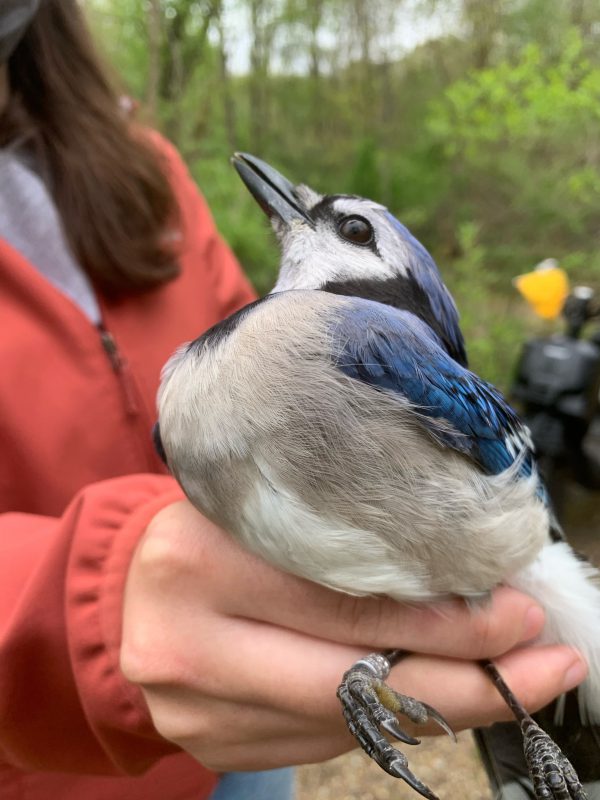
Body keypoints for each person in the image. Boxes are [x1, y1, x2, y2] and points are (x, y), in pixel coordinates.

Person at [0, 2, 588, 799]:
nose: (296, 207)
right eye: (343, 225)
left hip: (255, 739)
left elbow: (497, 504)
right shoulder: (301, 343)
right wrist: (89, 614)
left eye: (347, 228)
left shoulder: (355, 334)